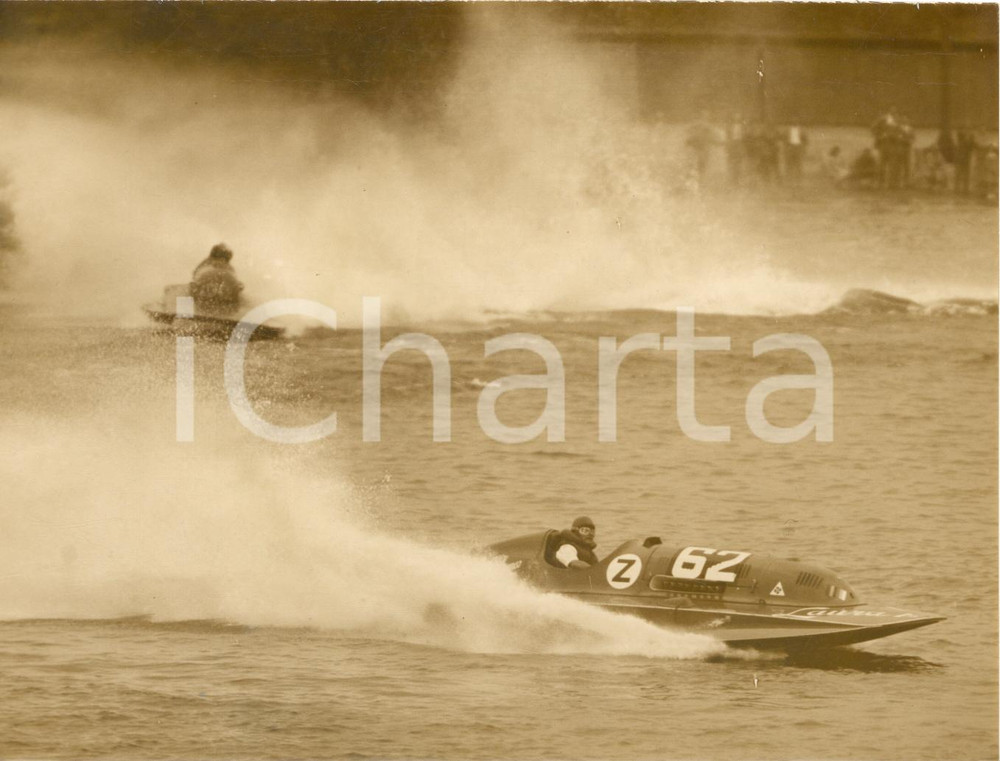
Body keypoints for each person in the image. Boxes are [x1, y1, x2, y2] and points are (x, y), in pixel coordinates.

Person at [190, 242, 244, 311]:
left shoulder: (206, 263)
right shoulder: (229, 268)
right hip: (222, 301)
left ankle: (184, 315)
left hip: (205, 299)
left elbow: (194, 275)